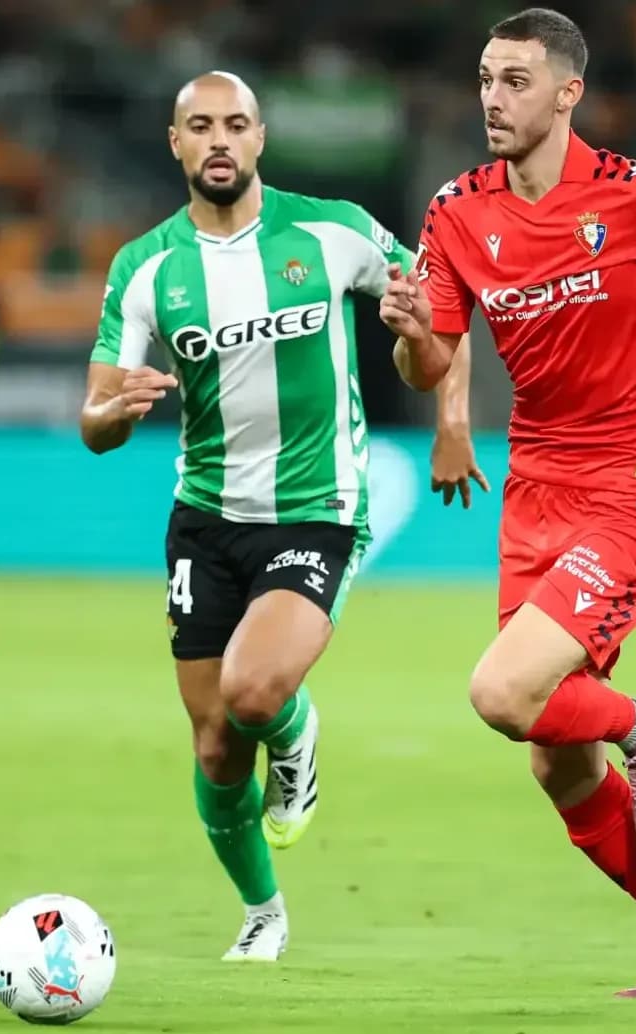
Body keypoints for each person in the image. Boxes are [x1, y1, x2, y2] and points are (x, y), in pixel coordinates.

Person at [381, 8, 636, 997]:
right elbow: (431, 356)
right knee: (550, 758)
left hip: (629, 480)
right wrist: (409, 334)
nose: (493, 97)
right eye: (486, 78)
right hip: (534, 487)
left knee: (501, 693)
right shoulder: (456, 210)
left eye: (517, 80)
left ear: (569, 91)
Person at [80, 71, 416, 962]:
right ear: (176, 143)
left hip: (317, 508)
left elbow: (431, 302)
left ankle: (299, 739)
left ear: (261, 137)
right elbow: (94, 417)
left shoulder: (332, 230)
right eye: (201, 126)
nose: (220, 139)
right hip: (204, 517)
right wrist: (112, 416)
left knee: (255, 691)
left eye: (236, 124)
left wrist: (440, 381)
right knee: (217, 745)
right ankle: (263, 914)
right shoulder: (145, 268)